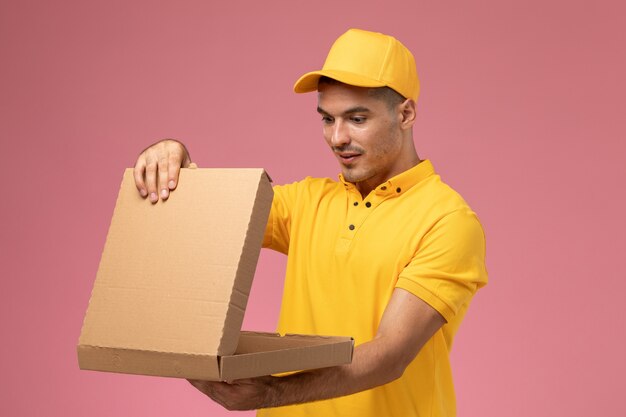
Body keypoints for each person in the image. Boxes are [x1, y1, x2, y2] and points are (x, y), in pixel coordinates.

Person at [133, 28, 488, 417]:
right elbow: (202, 215)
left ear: (405, 113)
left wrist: (269, 394)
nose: (337, 138)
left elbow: (390, 355)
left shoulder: (448, 221)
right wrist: (171, 155)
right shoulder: (306, 201)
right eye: (327, 119)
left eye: (357, 118)